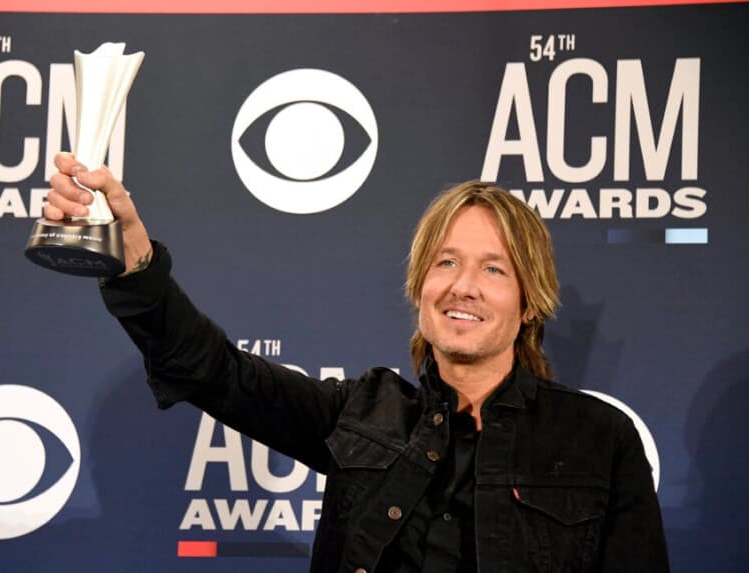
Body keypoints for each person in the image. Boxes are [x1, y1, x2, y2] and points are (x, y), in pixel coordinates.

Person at [45, 152, 670, 572]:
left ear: (530, 299)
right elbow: (215, 371)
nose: (463, 287)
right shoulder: (363, 412)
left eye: (494, 269)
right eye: (446, 262)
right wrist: (135, 264)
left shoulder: (601, 441)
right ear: (420, 285)